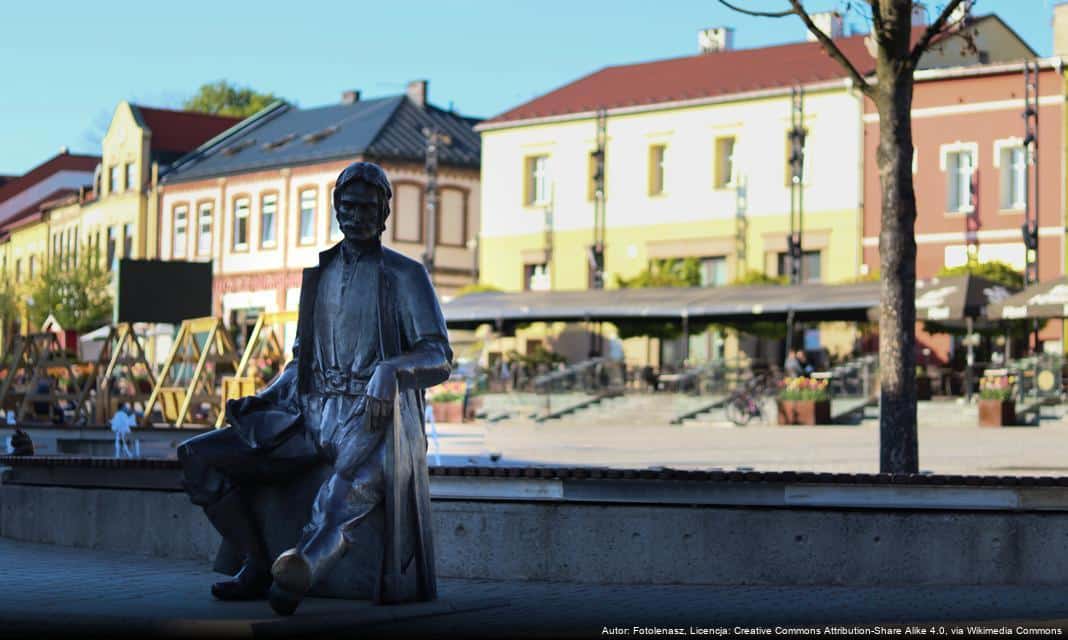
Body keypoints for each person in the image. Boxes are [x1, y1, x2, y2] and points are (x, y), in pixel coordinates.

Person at [177, 162, 451, 616]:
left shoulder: (405, 275)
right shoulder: (318, 274)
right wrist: (265, 397)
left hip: (372, 419)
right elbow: (300, 359)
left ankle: (300, 569)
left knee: (343, 497)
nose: (357, 215)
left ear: (384, 212)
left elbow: (438, 354)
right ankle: (261, 565)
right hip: (308, 412)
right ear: (335, 209)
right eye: (348, 205)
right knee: (199, 457)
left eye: (367, 206)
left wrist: (391, 370)